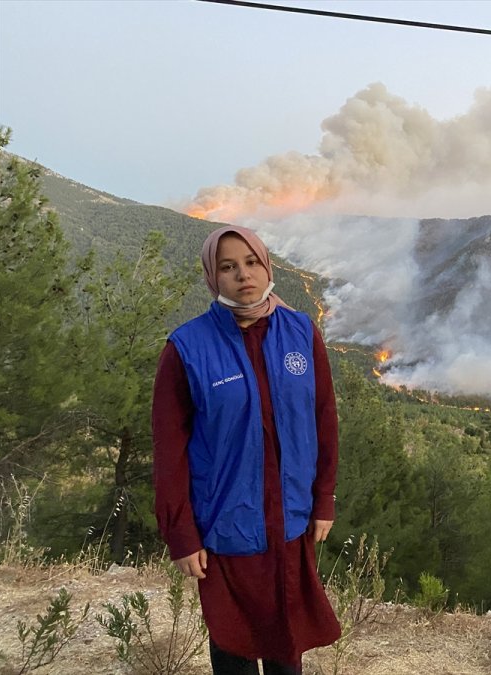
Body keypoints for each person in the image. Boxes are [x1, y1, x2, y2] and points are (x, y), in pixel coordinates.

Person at [152, 225, 341, 675]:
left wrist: (324, 499)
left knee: (286, 649)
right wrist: (181, 534)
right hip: (225, 528)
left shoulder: (301, 333)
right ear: (212, 276)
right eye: (228, 266)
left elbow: (324, 419)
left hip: (290, 524)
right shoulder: (187, 348)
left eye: (252, 262)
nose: (243, 275)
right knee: (233, 649)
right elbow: (169, 451)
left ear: (267, 266)